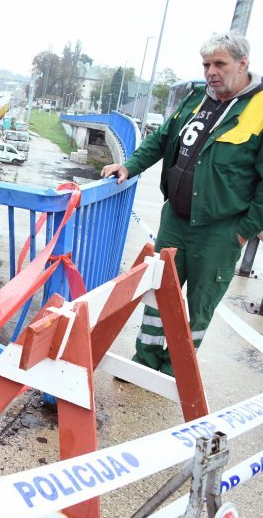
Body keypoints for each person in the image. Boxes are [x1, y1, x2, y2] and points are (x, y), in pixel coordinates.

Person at [102, 31, 263, 376]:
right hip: (176, 219)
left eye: (219, 64)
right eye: (206, 64)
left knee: (198, 306)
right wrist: (128, 166)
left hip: (221, 229)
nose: (211, 72)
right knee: (158, 293)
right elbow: (160, 140)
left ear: (243, 63)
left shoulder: (260, 109)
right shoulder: (195, 99)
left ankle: (176, 371)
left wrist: (244, 231)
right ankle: (145, 364)